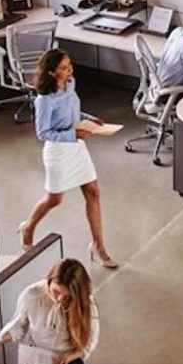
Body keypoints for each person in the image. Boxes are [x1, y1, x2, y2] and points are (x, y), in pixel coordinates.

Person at [18, 49, 117, 269]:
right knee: (55, 199)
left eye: (69, 65)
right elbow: (43, 133)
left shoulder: (70, 84)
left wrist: (90, 119)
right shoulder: (44, 100)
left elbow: (73, 114)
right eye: (64, 68)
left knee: (93, 192)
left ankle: (98, 246)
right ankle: (28, 227)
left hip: (77, 148)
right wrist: (73, 134)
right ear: (52, 73)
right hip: (58, 151)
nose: (70, 70)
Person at [0, 258, 98, 364]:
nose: (59, 299)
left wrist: (69, 356)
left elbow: (89, 342)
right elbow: (19, 325)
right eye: (56, 292)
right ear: (49, 281)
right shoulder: (32, 295)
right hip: (36, 363)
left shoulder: (87, 305)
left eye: (67, 297)